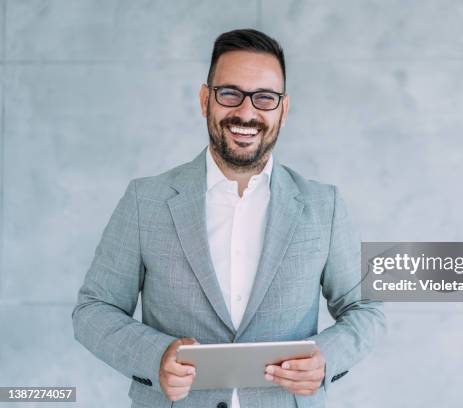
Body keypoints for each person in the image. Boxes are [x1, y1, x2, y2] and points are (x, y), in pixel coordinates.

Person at [72, 28, 386, 408]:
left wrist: (325, 358)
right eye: (230, 93)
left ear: (283, 110)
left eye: (265, 98)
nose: (246, 112)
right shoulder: (146, 200)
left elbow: (366, 309)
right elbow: (93, 310)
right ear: (206, 100)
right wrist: (155, 357)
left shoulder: (324, 206)